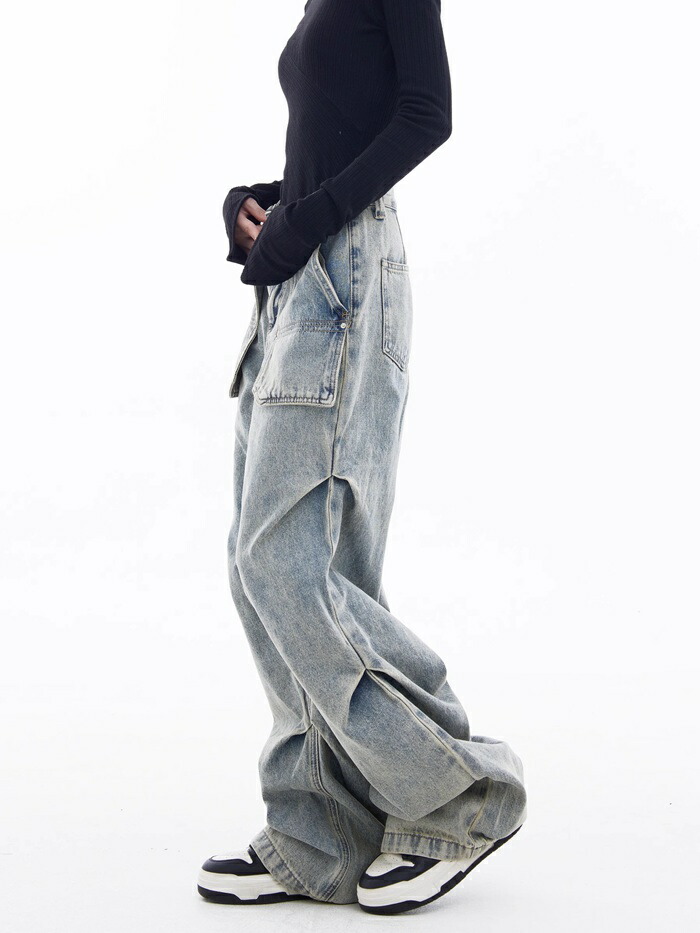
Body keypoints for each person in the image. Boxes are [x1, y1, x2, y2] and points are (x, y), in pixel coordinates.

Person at [197, 0, 527, 914]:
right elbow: (340, 133)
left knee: (286, 566)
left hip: (342, 275)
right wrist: (264, 204)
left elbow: (428, 113)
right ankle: (321, 832)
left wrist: (310, 218)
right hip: (298, 278)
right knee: (268, 569)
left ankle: (457, 796)